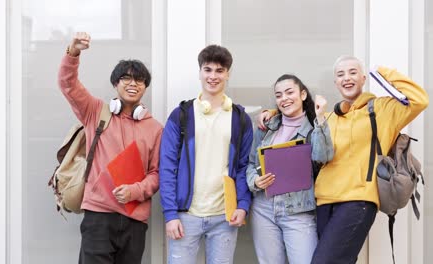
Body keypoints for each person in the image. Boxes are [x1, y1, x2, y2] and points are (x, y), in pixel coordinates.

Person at [259, 56, 429, 263]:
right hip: (323, 202)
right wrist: (274, 112)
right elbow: (298, 115)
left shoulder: (383, 110)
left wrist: (384, 71)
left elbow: (419, 100)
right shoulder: (328, 117)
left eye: (352, 72)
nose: (346, 78)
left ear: (364, 77)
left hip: (357, 201)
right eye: (340, 74)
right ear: (335, 83)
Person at [58, 32, 163, 264]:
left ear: (145, 87)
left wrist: (135, 191)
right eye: (125, 78)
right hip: (98, 216)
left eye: (139, 80)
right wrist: (73, 52)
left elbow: (156, 174)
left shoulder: (155, 128)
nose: (132, 84)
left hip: (135, 221)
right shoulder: (95, 111)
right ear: (115, 84)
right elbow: (68, 85)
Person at [159, 44, 253, 264]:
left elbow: (243, 166)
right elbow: (167, 166)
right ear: (200, 72)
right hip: (186, 214)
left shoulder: (240, 118)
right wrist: (170, 214)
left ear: (228, 74)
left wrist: (242, 205)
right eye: (208, 70)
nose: (213, 76)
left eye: (219, 71)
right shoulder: (181, 115)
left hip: (224, 216)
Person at [246, 74, 333, 264]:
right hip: (264, 208)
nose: (284, 98)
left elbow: (323, 156)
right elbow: (251, 163)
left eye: (289, 92)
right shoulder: (266, 128)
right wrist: (254, 180)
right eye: (279, 95)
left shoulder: (314, 129)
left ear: (302, 95)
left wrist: (320, 117)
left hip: (298, 211)